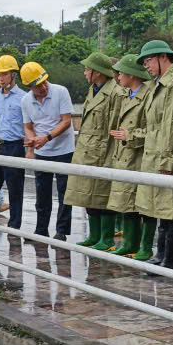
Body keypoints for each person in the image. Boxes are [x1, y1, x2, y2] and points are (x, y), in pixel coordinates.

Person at [133, 38, 173, 273]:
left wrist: (167, 160)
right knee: (161, 209)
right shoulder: (160, 84)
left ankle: (172, 260)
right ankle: (161, 255)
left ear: (163, 57)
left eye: (148, 60)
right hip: (158, 154)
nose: (146, 66)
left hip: (171, 156)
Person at [67, 53, 124, 251]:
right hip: (87, 151)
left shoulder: (115, 93)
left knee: (103, 196)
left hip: (104, 151)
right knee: (87, 195)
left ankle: (106, 238)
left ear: (97, 72)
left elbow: (115, 126)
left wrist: (111, 155)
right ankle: (94, 235)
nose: (84, 73)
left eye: (87, 69)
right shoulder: (93, 90)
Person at [20, 61, 76, 242]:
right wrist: (32, 140)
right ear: (29, 87)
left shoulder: (60, 92)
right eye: (38, 85)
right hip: (42, 151)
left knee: (64, 191)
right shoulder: (25, 101)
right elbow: (28, 126)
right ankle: (41, 229)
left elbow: (66, 121)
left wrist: (47, 138)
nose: (44, 87)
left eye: (44, 82)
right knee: (42, 192)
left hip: (64, 149)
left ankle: (61, 231)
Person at [106, 53, 155, 259]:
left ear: (132, 75)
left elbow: (154, 129)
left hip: (140, 157)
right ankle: (129, 243)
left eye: (121, 73)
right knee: (126, 202)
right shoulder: (128, 95)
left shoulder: (148, 95)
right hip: (125, 155)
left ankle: (145, 247)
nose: (118, 77)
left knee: (144, 205)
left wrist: (132, 135)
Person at [0, 55, 27, 231]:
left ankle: (14, 226)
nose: (0, 78)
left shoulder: (23, 98)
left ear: (13, 74)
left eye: (4, 74)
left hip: (14, 145)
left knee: (15, 189)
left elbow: (29, 124)